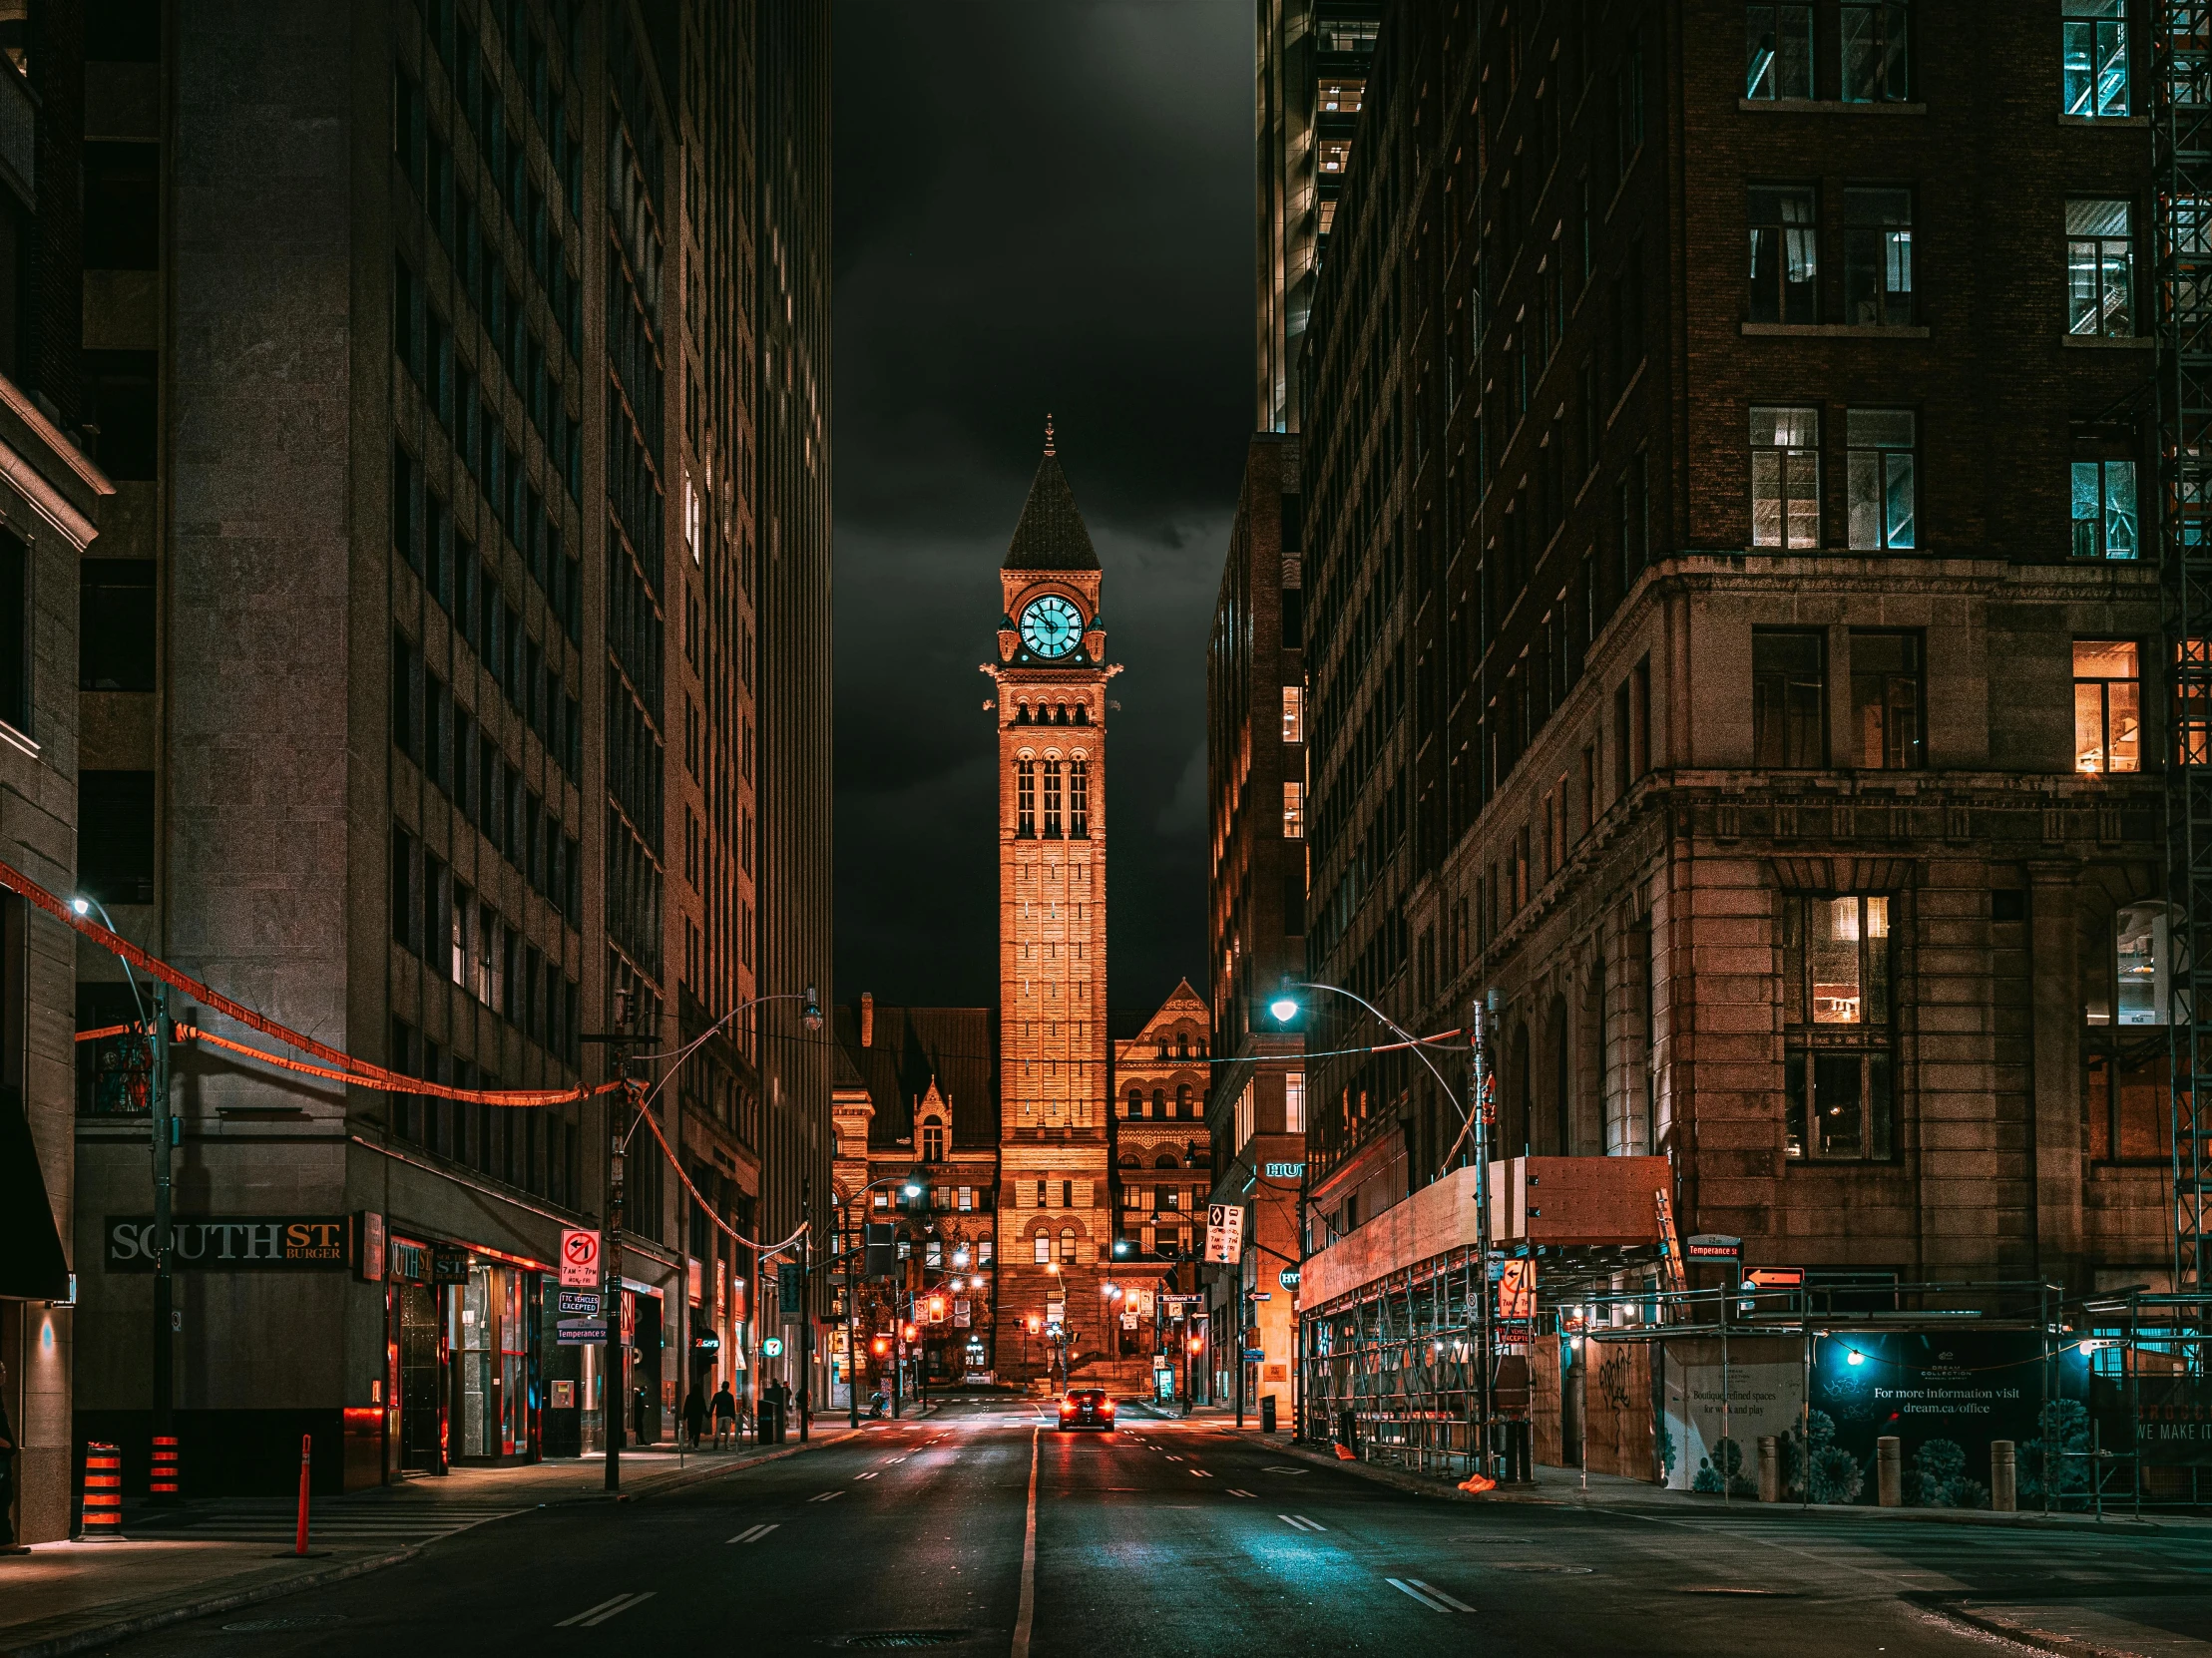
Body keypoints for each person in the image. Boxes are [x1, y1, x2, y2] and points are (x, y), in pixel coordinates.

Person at [709, 1381, 738, 1449]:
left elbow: (712, 1405)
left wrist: (710, 1414)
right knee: (728, 1430)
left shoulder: (717, 1395)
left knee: (718, 1429)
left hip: (720, 1415)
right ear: (728, 1387)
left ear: (722, 1386)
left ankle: (717, 1438)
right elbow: (732, 1407)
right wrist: (733, 1417)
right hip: (728, 1415)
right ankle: (727, 1444)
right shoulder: (730, 1396)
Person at [682, 1385, 707, 1449]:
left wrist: (684, 1417)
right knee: (697, 1430)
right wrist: (707, 1415)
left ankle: (690, 1439)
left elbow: (686, 1407)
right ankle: (696, 1445)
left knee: (691, 1429)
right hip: (698, 1416)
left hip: (691, 1416)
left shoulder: (689, 1397)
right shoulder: (700, 1398)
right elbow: (703, 1407)